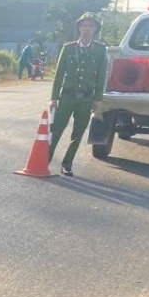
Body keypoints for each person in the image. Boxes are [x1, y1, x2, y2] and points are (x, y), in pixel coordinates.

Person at [49, 13, 108, 176]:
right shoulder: (68, 49)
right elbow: (59, 74)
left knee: (78, 133)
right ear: (79, 28)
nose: (87, 29)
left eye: (91, 26)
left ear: (95, 29)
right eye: (84, 25)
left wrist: (97, 99)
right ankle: (45, 159)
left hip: (86, 99)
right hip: (67, 97)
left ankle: (67, 164)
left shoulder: (101, 50)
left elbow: (101, 76)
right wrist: (54, 97)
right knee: (56, 130)